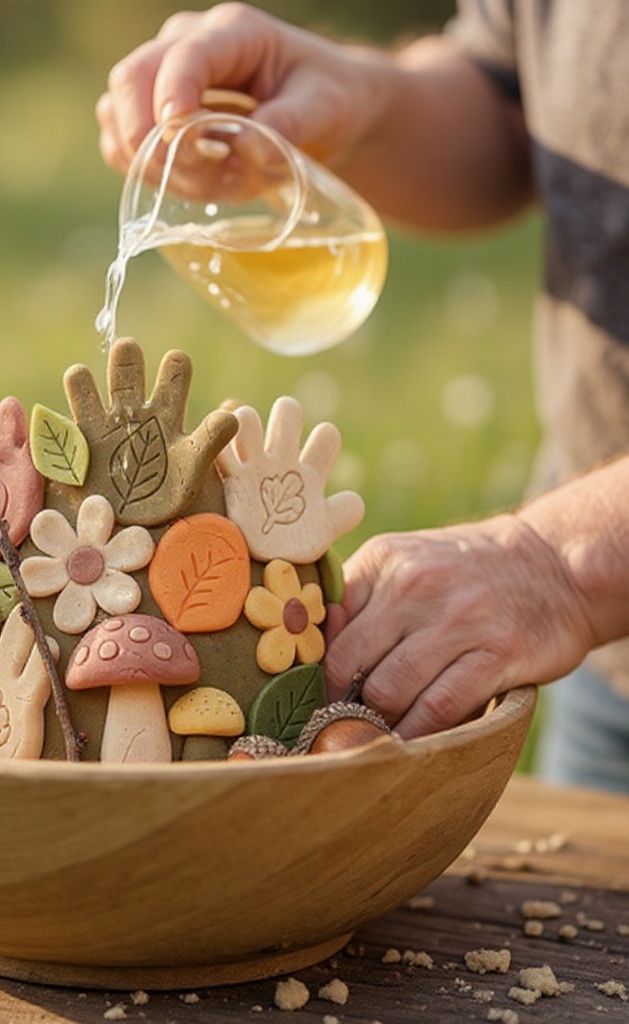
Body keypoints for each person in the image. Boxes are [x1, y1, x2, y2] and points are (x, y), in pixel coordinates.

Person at [96, 2, 629, 792]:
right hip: (608, 677)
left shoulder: (560, 574)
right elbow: (516, 98)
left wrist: (559, 563)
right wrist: (365, 107)